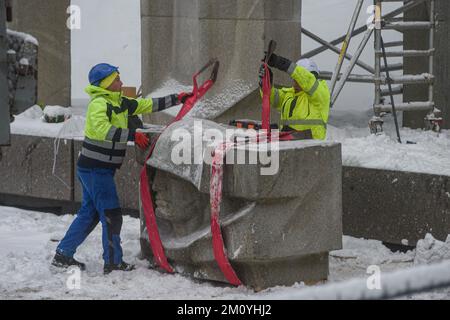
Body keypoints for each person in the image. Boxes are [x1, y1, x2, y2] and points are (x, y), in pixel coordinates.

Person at [51, 63, 192, 274]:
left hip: (95, 169)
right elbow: (101, 130)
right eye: (117, 79)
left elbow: (147, 105)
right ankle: (113, 262)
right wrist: (132, 135)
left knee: (90, 214)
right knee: (111, 215)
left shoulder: (120, 102)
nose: (122, 82)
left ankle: (63, 254)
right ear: (107, 84)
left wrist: (177, 98)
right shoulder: (99, 104)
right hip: (96, 169)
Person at [259, 53, 330, 140]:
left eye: (298, 80)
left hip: (312, 147)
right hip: (289, 145)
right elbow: (273, 99)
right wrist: (265, 85)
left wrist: (283, 64)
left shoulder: (320, 95)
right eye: (294, 80)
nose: (295, 83)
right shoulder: (290, 94)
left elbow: (308, 80)